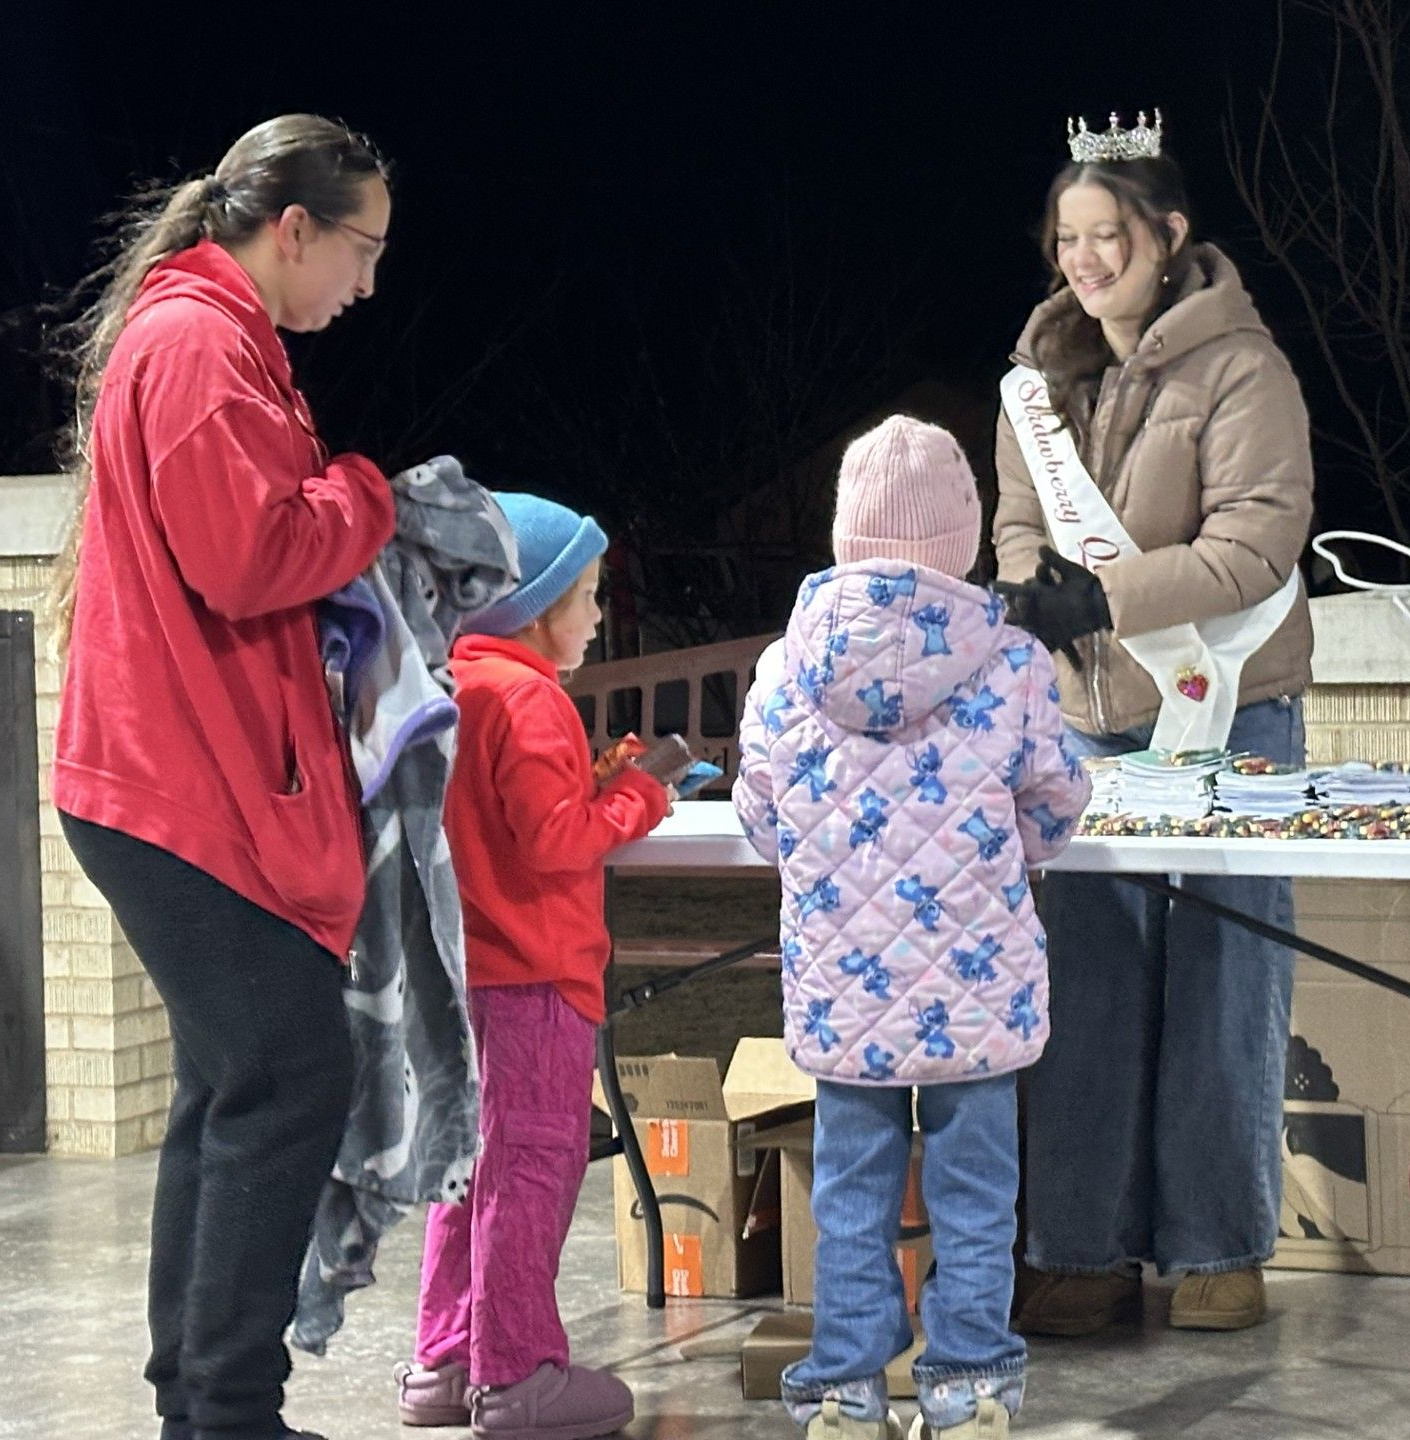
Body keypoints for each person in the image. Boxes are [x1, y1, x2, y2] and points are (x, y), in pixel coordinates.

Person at [50, 115, 395, 1440]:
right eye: (358, 250)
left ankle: (205, 1405)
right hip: (175, 786)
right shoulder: (197, 345)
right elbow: (248, 558)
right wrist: (364, 495)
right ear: (291, 229)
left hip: (173, 777)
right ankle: (227, 1413)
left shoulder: (216, 339)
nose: (364, 284)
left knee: (230, 1085)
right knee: (285, 1073)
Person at [992, 111, 1314, 1336]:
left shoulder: (1246, 371)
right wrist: (1032, 595)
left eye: (1107, 234)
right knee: (1084, 977)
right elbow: (1020, 520)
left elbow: (1255, 543)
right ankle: (1079, 1243)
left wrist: (1104, 594)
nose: (1084, 259)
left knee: (1224, 975)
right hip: (1087, 716)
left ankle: (1217, 1246)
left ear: (1168, 235)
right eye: (1067, 238)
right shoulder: (1033, 385)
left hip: (1233, 709)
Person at [734, 416, 1091, 1440]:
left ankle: (846, 1386)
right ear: (966, 540)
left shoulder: (788, 663)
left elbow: (764, 815)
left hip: (845, 981)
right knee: (977, 1189)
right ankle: (970, 1384)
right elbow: (1055, 805)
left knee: (853, 1188)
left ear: (844, 536)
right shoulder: (1013, 660)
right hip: (976, 986)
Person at [395, 494, 672, 1438]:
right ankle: (516, 1378)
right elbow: (559, 843)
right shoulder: (532, 698)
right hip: (538, 982)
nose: (597, 617)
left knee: (465, 1174)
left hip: (458, 976)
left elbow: (496, 818)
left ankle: (443, 1360)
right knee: (532, 1173)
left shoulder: (454, 683)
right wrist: (639, 799)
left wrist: (597, 779)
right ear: (532, 603)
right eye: (585, 597)